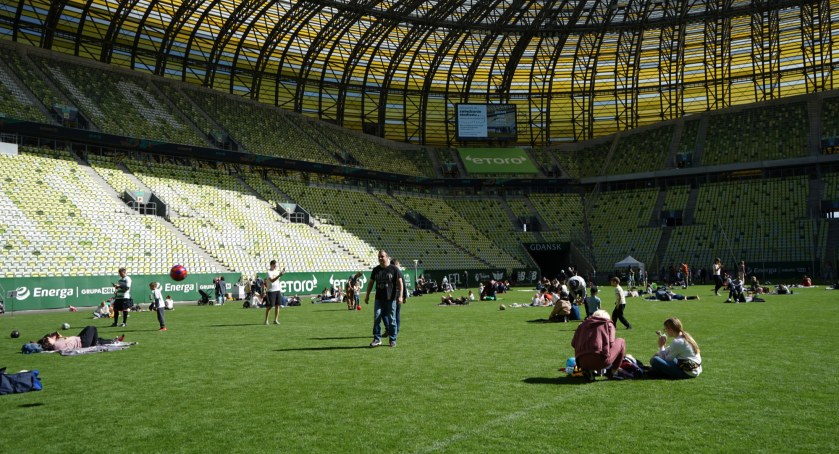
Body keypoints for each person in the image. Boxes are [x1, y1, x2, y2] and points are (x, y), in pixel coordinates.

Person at [571, 310, 627, 381]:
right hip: (601, 361)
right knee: (621, 341)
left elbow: (573, 344)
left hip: (581, 362)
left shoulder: (581, 325)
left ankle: (590, 372)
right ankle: (614, 372)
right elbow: (611, 343)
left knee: (590, 354)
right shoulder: (608, 324)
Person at [364, 250, 403, 348]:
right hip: (379, 298)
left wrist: (401, 296)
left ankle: (392, 339)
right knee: (377, 317)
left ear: (387, 257)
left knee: (392, 319)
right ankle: (377, 339)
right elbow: (370, 283)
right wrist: (367, 295)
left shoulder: (394, 269)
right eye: (379, 257)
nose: (380, 258)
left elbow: (400, 283)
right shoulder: (376, 270)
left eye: (382, 256)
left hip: (391, 298)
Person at [37, 326, 124, 352]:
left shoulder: (57, 344)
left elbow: (67, 340)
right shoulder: (57, 344)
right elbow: (67, 340)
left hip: (79, 339)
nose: (52, 337)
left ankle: (114, 341)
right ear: (48, 341)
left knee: (96, 338)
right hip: (82, 342)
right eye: (50, 337)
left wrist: (60, 337)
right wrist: (60, 337)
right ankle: (96, 343)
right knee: (92, 328)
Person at [263, 260, 286, 325]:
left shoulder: (277, 271)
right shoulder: (268, 272)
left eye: (276, 265)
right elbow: (272, 280)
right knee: (270, 306)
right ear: (271, 264)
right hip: (271, 290)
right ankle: (266, 320)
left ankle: (275, 320)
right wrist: (279, 275)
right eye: (274, 265)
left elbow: (278, 281)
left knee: (277, 305)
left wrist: (282, 273)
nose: (275, 266)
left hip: (277, 290)